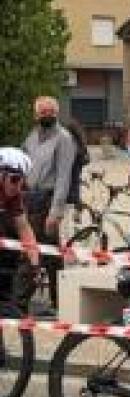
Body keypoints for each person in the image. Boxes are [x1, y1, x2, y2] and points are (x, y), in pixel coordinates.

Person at [22, 97, 77, 312]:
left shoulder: (64, 139)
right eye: (42, 112)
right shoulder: (31, 137)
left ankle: (54, 302)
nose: (46, 115)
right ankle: (36, 300)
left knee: (44, 253)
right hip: (30, 198)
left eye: (50, 111)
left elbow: (64, 177)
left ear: (56, 113)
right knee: (38, 252)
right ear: (36, 115)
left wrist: (55, 212)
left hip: (47, 199)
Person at [0, 148, 42, 305]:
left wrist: (35, 262)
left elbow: (23, 227)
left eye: (22, 180)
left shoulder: (13, 195)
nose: (18, 186)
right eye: (14, 179)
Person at [62, 118, 91, 229]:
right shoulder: (80, 147)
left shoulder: (71, 149)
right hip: (73, 189)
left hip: (67, 194)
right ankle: (78, 212)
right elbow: (86, 160)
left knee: (65, 227)